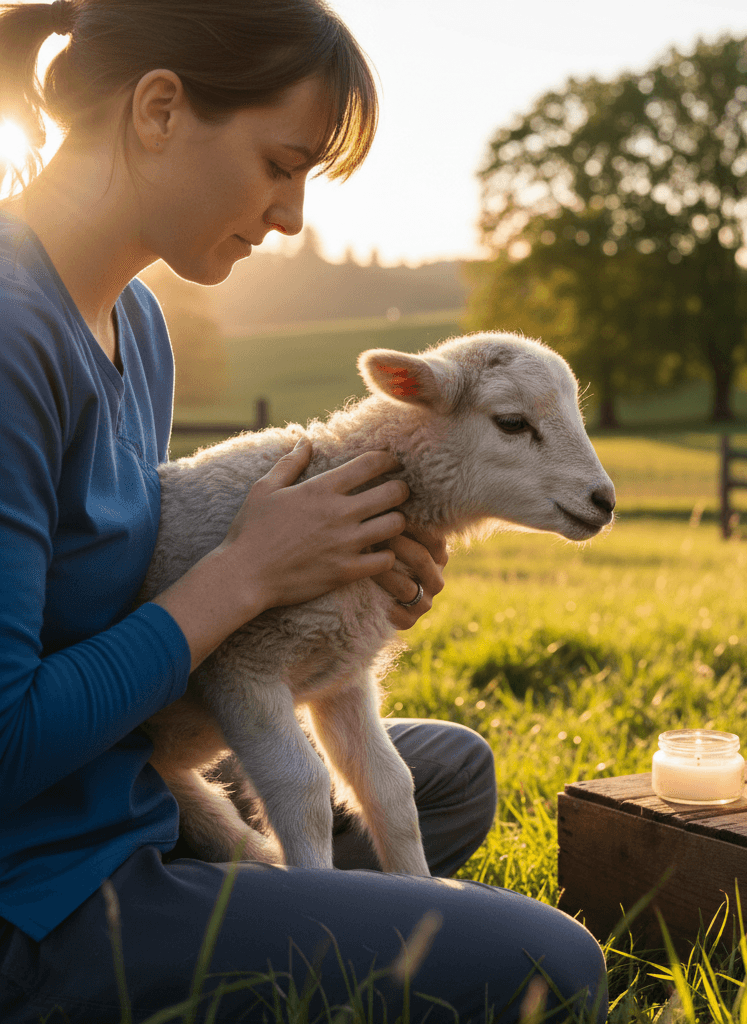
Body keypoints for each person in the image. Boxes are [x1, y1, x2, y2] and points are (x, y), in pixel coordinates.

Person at [0, 2, 608, 1021]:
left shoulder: (136, 324)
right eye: (281, 163)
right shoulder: (13, 339)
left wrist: (340, 570)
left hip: (124, 790)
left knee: (448, 769)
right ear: (159, 109)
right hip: (39, 885)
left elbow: (114, 574)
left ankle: (262, 898)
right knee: (552, 966)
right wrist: (247, 577)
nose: (290, 215)